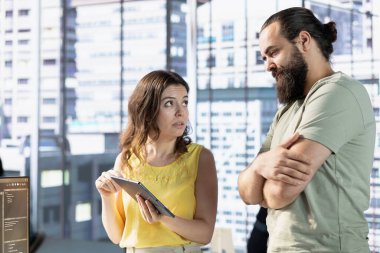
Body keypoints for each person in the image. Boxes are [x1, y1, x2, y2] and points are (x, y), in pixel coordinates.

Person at [238, 7, 375, 253]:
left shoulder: (338, 92)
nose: (268, 65)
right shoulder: (287, 110)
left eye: (273, 52)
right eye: (264, 58)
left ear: (303, 40)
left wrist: (260, 181)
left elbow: (280, 191)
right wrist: (259, 167)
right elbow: (246, 193)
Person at [95, 70, 218, 252]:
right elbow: (117, 236)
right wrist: (106, 196)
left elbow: (205, 233)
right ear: (147, 110)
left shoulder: (200, 158)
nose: (181, 112)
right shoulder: (126, 160)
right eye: (169, 104)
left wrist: (163, 217)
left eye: (184, 102)